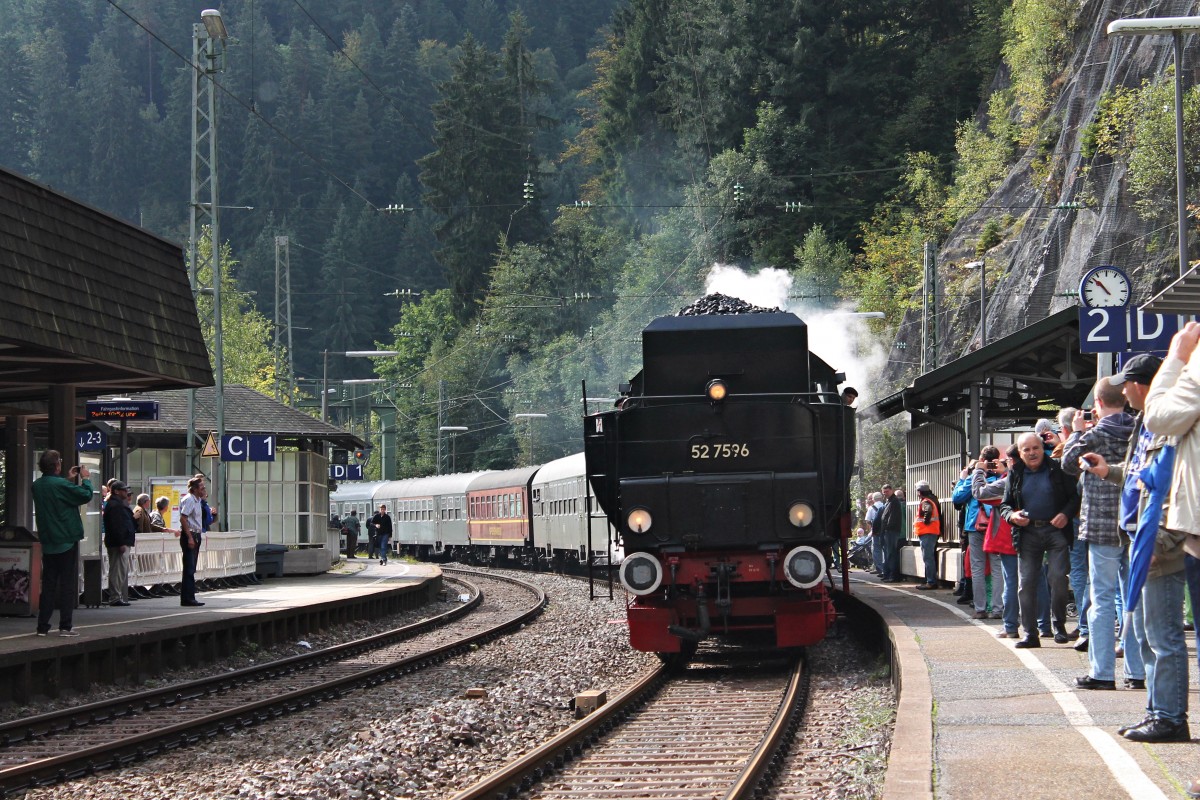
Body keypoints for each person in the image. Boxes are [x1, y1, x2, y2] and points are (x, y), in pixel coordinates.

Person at [1063, 379, 1141, 689]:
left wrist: (1077, 431)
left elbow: (1069, 466)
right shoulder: (1138, 429)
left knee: (1103, 599)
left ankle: (1102, 673)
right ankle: (1136, 672)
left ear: (1097, 401)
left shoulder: (1094, 435)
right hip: (1134, 522)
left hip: (1101, 525)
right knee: (1133, 599)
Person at [999, 432, 1079, 647]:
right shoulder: (1014, 473)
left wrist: (1066, 513)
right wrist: (1013, 517)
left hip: (1055, 531)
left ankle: (1059, 626)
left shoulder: (1058, 469)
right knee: (1026, 584)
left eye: (1035, 448)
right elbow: (1005, 505)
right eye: (1027, 450)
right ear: (1021, 453)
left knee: (1057, 578)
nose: (1032, 453)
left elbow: (1074, 497)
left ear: (1042, 448)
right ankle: (1030, 634)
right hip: (1028, 533)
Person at [31, 450, 93, 636]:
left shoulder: (37, 486)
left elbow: (57, 492)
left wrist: (67, 479)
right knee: (67, 584)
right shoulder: (60, 485)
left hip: (48, 540)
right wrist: (86, 479)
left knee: (49, 584)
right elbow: (84, 495)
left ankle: (42, 627)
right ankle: (65, 626)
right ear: (57, 465)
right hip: (66, 539)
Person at [955, 446, 1004, 618]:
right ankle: (998, 608)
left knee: (977, 567)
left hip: (975, 526)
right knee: (998, 568)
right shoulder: (1002, 475)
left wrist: (963, 479)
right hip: (996, 524)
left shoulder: (975, 476)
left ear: (981, 459)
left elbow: (957, 498)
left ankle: (980, 609)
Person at [102, 481, 136, 607]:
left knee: (120, 570)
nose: (126, 492)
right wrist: (121, 542)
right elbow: (116, 525)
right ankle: (115, 597)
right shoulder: (115, 506)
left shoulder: (116, 504)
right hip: (118, 543)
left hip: (119, 541)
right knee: (117, 570)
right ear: (116, 491)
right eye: (124, 490)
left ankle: (116, 596)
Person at [178, 475, 206, 607]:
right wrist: (189, 537)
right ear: (195, 489)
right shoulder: (189, 500)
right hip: (191, 534)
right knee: (189, 567)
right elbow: (183, 518)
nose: (204, 489)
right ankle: (187, 598)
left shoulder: (197, 500)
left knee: (192, 567)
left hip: (196, 534)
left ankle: (190, 596)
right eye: (201, 487)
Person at [912, 480, 942, 589]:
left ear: (919, 492)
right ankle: (929, 580)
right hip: (930, 532)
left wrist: (925, 521)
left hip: (927, 532)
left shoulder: (926, 501)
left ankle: (931, 581)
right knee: (929, 558)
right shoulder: (931, 499)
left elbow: (927, 511)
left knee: (928, 558)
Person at [878, 484, 905, 582]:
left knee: (891, 553)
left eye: (887, 491)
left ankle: (893, 575)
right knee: (888, 553)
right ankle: (889, 574)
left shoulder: (894, 502)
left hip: (891, 531)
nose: (885, 493)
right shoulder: (889, 502)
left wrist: (887, 527)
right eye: (884, 492)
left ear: (891, 491)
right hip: (888, 531)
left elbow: (892, 518)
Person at [864, 492, 885, 576]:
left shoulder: (871, 508)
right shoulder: (885, 505)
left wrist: (872, 527)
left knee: (876, 549)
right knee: (885, 549)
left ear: (873, 499)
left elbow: (868, 520)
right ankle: (885, 567)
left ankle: (879, 568)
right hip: (884, 531)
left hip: (876, 531)